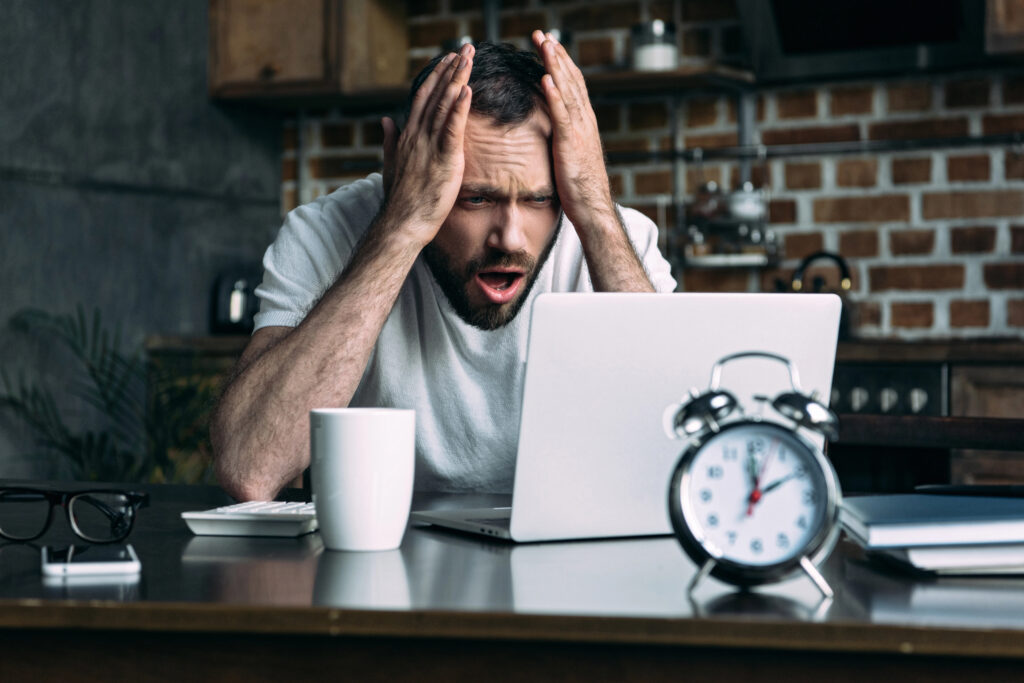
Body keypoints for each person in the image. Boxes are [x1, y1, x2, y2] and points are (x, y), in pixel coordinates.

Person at [211, 31, 676, 501]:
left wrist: (596, 209)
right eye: (475, 198)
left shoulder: (617, 238)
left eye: (539, 198)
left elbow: (681, 445)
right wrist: (400, 226)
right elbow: (252, 467)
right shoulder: (324, 232)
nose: (510, 238)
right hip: (383, 555)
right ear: (402, 171)